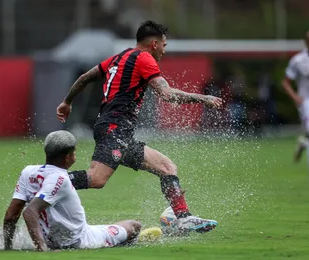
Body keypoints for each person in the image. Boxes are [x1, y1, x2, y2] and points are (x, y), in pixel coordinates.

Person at [56, 20, 221, 233]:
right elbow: (167, 94)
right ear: (154, 44)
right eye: (164, 45)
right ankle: (50, 180)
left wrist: (67, 102)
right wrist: (203, 98)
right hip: (114, 129)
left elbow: (85, 78)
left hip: (117, 131)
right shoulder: (145, 59)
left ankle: (184, 218)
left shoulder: (118, 57)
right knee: (97, 179)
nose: (164, 50)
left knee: (167, 167)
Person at [3, 130, 141, 251]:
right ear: (68, 157)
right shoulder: (60, 178)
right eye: (74, 152)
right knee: (134, 225)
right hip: (81, 240)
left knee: (108, 229)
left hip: (50, 240)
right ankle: (118, 245)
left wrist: (8, 247)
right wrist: (42, 250)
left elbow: (11, 216)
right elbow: (30, 212)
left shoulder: (28, 172)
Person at [282, 31, 309, 163]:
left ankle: (304, 142)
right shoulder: (298, 60)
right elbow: (286, 82)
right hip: (306, 101)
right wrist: (295, 97)